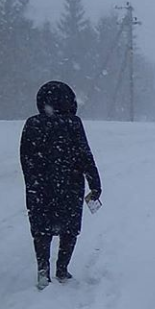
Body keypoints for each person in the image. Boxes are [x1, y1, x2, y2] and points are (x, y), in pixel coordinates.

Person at [20, 81, 101, 290]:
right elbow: (85, 155)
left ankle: (43, 271)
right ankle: (62, 269)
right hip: (70, 185)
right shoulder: (73, 123)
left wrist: (32, 179)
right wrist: (94, 183)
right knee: (70, 228)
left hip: (39, 186)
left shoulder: (32, 124)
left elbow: (25, 156)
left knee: (41, 229)